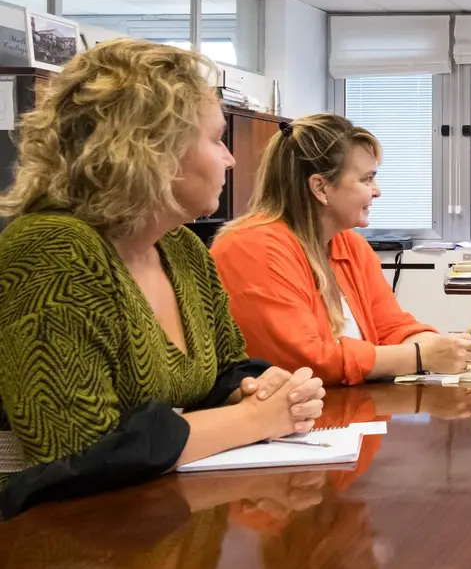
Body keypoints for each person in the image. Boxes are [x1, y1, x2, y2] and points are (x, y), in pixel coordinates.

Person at [0, 39, 324, 518]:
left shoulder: (182, 249)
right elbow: (77, 454)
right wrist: (254, 418)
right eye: (216, 139)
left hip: (161, 523)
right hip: (62, 548)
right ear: (150, 150)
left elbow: (222, 372)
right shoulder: (52, 250)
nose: (231, 159)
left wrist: (257, 388)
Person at [210, 114, 471, 387]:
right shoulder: (252, 247)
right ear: (321, 187)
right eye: (366, 179)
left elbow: (391, 328)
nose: (377, 191)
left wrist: (452, 346)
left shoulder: (350, 245)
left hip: (342, 417)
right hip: (285, 426)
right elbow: (306, 362)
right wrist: (422, 356)